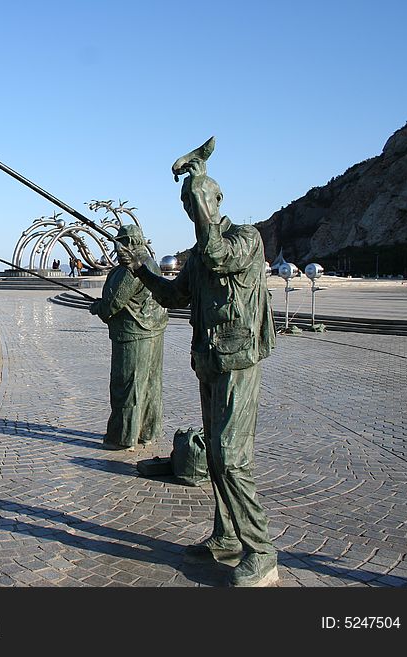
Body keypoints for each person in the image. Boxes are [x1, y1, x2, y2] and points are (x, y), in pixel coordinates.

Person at [126, 149, 278, 587]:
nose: (195, 209)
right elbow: (174, 297)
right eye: (190, 205)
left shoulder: (246, 240)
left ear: (217, 200)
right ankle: (227, 536)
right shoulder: (198, 254)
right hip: (209, 362)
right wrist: (140, 267)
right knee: (214, 454)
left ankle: (261, 549)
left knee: (230, 455)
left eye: (200, 202)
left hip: (238, 363)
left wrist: (198, 184)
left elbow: (217, 255)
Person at [89, 224, 168, 449]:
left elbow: (115, 302)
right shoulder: (151, 263)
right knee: (151, 384)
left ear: (130, 243)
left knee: (127, 385)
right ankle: (147, 432)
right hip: (153, 331)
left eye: (120, 244)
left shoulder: (131, 268)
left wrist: (100, 309)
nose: (118, 249)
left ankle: (123, 437)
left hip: (133, 334)